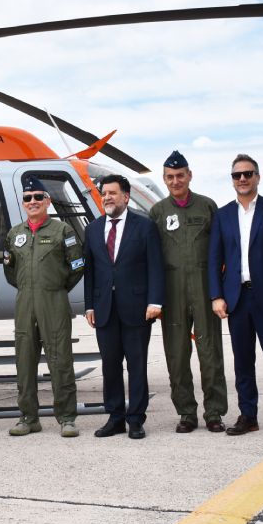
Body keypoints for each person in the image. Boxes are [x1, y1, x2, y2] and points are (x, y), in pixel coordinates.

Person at [209, 154, 263, 437]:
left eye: (248, 174)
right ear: (232, 180)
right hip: (236, 300)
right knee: (242, 361)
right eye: (237, 175)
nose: (243, 179)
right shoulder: (222, 215)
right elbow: (214, 260)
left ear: (257, 177)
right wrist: (216, 296)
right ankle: (248, 415)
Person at [149, 151, 228, 433]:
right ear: (164, 179)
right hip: (172, 292)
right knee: (177, 355)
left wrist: (221, 291)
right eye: (170, 177)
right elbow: (152, 257)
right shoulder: (158, 212)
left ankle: (215, 412)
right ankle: (186, 413)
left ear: (189, 175)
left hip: (205, 288)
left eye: (180, 175)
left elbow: (221, 249)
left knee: (210, 353)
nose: (175, 181)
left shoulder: (207, 206)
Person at [2, 177, 86, 437]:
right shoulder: (15, 234)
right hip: (25, 302)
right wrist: (30, 288)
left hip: (54, 302)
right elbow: (10, 272)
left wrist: (56, 287)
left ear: (48, 201)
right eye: (28, 198)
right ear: (23, 202)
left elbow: (77, 266)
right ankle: (28, 417)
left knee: (60, 360)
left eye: (39, 197)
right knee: (24, 362)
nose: (33, 202)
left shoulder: (62, 231)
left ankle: (67, 418)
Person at [84, 174, 165, 439]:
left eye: (112, 193)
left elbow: (155, 266)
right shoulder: (93, 229)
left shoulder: (144, 227)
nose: (106, 197)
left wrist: (155, 301)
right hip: (105, 308)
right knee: (110, 364)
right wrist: (89, 305)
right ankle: (115, 417)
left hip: (137, 307)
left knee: (136, 364)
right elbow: (91, 270)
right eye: (103, 193)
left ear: (125, 197)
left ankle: (136, 419)